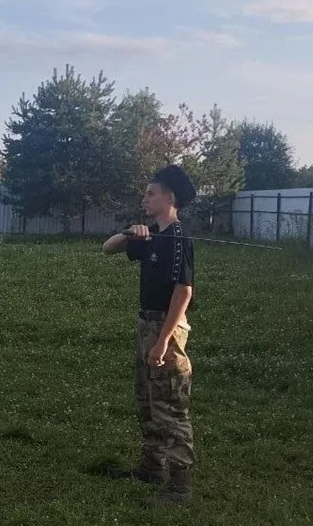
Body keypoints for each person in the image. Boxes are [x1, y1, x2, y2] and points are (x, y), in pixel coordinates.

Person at [101, 164, 197, 506]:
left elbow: (183, 293)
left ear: (169, 198)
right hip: (146, 325)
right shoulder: (150, 234)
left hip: (166, 329)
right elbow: (107, 248)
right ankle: (151, 467)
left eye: (151, 193)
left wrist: (161, 343)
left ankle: (179, 486)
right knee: (147, 399)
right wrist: (131, 233)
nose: (145, 198)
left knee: (170, 405)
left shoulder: (178, 238)